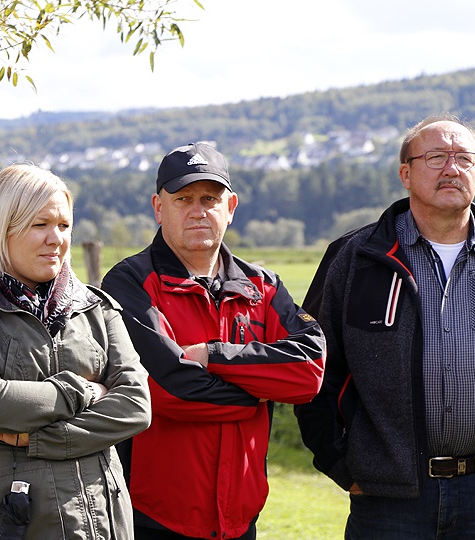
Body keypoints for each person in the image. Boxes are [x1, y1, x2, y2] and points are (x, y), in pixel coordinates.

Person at [295, 114, 475, 539]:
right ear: (405, 174)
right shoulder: (355, 257)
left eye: (464, 158)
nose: (451, 168)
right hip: (387, 499)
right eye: (435, 157)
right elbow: (314, 362)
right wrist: (341, 463)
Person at [101, 142, 326, 540]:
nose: (197, 210)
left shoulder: (262, 286)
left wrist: (212, 355)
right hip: (154, 518)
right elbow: (168, 390)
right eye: (183, 199)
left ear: (231, 207)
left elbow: (309, 372)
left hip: (241, 518)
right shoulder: (130, 282)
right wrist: (260, 390)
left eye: (209, 199)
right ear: (158, 207)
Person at [0, 164, 151, 539]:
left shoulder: (96, 308)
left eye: (64, 225)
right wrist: (85, 391)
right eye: (40, 224)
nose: (56, 238)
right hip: (10, 522)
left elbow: (136, 406)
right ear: (3, 228)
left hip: (100, 517)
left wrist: (40, 439)